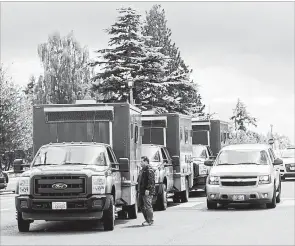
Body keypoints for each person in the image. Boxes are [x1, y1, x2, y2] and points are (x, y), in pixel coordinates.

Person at [138, 156, 155, 226]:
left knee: (148, 206)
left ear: (146, 161)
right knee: (141, 205)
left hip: (147, 191)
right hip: (142, 190)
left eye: (142, 161)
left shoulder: (149, 170)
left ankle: (150, 220)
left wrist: (148, 189)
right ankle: (147, 219)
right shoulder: (143, 169)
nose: (140, 163)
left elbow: (150, 181)